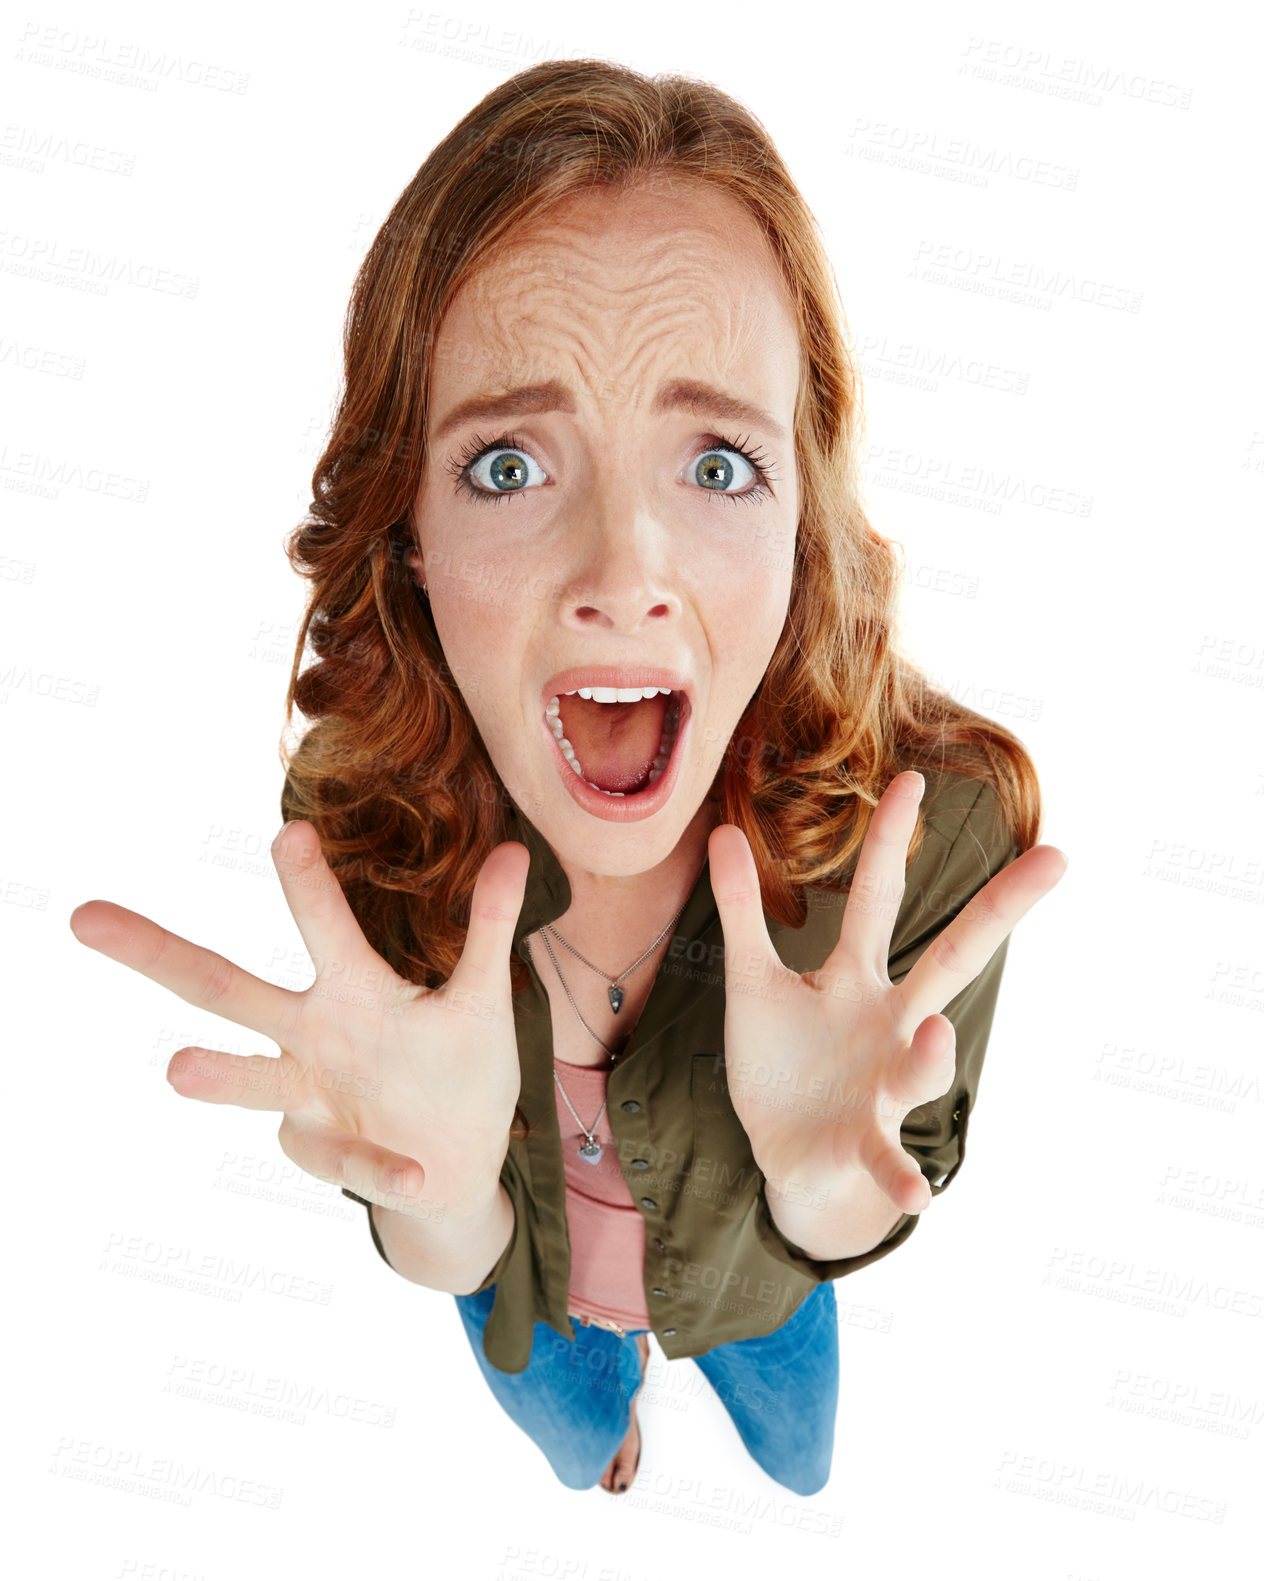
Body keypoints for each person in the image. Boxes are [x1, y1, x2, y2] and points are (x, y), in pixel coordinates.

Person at [69, 58, 1067, 1499]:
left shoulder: (938, 830)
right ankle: (616, 1434)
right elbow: (438, 1234)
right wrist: (443, 1201)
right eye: (506, 468)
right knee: (575, 1440)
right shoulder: (360, 821)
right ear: (406, 521)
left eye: (718, 464)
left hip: (763, 1287)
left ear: (801, 518)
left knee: (801, 1468)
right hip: (528, 1300)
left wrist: (825, 1189)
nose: (623, 576)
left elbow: (865, 1203)